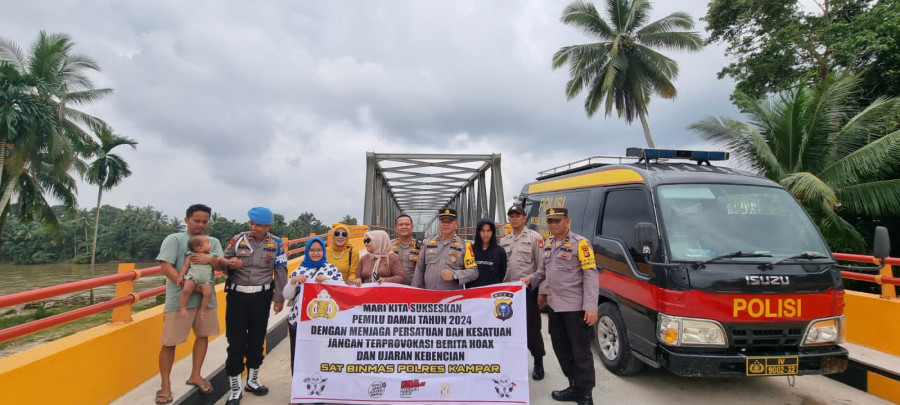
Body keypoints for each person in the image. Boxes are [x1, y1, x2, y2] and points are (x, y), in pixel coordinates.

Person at [156, 204, 232, 404]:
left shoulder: (212, 241)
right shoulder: (174, 239)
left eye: (205, 222)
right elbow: (166, 266)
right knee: (169, 342)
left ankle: (196, 374)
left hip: (206, 301)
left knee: (202, 336)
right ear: (186, 220)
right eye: (196, 221)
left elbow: (219, 265)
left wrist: (210, 258)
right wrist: (186, 285)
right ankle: (165, 385)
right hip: (179, 299)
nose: (201, 225)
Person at [521, 208, 599, 405]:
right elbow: (542, 272)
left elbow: (590, 275)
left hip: (576, 309)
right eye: (550, 221)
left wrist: (591, 306)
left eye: (557, 220)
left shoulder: (580, 244)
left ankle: (586, 394)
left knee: (580, 352)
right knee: (561, 349)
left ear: (567, 221)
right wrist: (528, 280)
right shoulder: (548, 245)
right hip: (555, 308)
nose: (553, 224)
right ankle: (573, 386)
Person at [222, 207, 288, 405]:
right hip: (237, 296)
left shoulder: (276, 243)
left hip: (261, 297)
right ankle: (235, 388)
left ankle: (252, 380)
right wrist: (229, 264)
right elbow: (221, 262)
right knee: (235, 341)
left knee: (257, 339)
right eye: (251, 223)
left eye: (258, 225)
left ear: (268, 226)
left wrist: (279, 297)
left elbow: (281, 270)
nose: (253, 227)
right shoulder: (238, 240)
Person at [282, 237, 343, 373]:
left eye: (319, 250)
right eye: (312, 250)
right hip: (299, 321)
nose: (316, 253)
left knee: (321, 358)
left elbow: (342, 293)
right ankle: (298, 391)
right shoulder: (299, 270)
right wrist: (293, 282)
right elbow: (287, 295)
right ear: (307, 251)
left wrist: (328, 281)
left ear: (324, 251)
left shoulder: (332, 270)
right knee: (298, 358)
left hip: (324, 324)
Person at [500, 204, 547, 380]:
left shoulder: (535, 238)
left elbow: (543, 267)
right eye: (511, 216)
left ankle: (538, 362)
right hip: (507, 292)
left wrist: (543, 292)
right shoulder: (504, 241)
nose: (514, 218)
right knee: (508, 328)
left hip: (528, 291)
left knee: (532, 328)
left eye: (517, 215)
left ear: (524, 217)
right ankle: (512, 362)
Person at [412, 208, 478, 290]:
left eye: (449, 222)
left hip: (452, 299)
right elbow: (419, 270)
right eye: (443, 221)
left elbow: (474, 272)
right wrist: (415, 292)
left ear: (456, 224)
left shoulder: (465, 246)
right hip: (429, 296)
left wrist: (455, 275)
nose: (446, 224)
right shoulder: (427, 243)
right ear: (439, 223)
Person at [176, 235, 215, 320]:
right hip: (192, 277)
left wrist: (228, 261)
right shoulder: (191, 256)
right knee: (186, 290)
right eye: (208, 243)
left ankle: (203, 310)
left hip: (206, 281)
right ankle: (182, 308)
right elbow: (185, 267)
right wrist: (180, 276)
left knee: (208, 294)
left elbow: (220, 261)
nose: (210, 245)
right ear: (200, 248)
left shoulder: (211, 256)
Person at [466, 217, 507, 288]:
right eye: (483, 230)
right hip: (473, 292)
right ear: (478, 232)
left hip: (492, 292)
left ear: (493, 232)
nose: (485, 234)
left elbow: (502, 273)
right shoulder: (470, 250)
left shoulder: (500, 251)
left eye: (489, 231)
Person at [390, 214, 420, 285]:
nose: (404, 227)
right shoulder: (389, 246)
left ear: (412, 227)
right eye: (400, 225)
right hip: (394, 287)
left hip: (414, 288)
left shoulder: (421, 246)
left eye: (407, 224)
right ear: (396, 228)